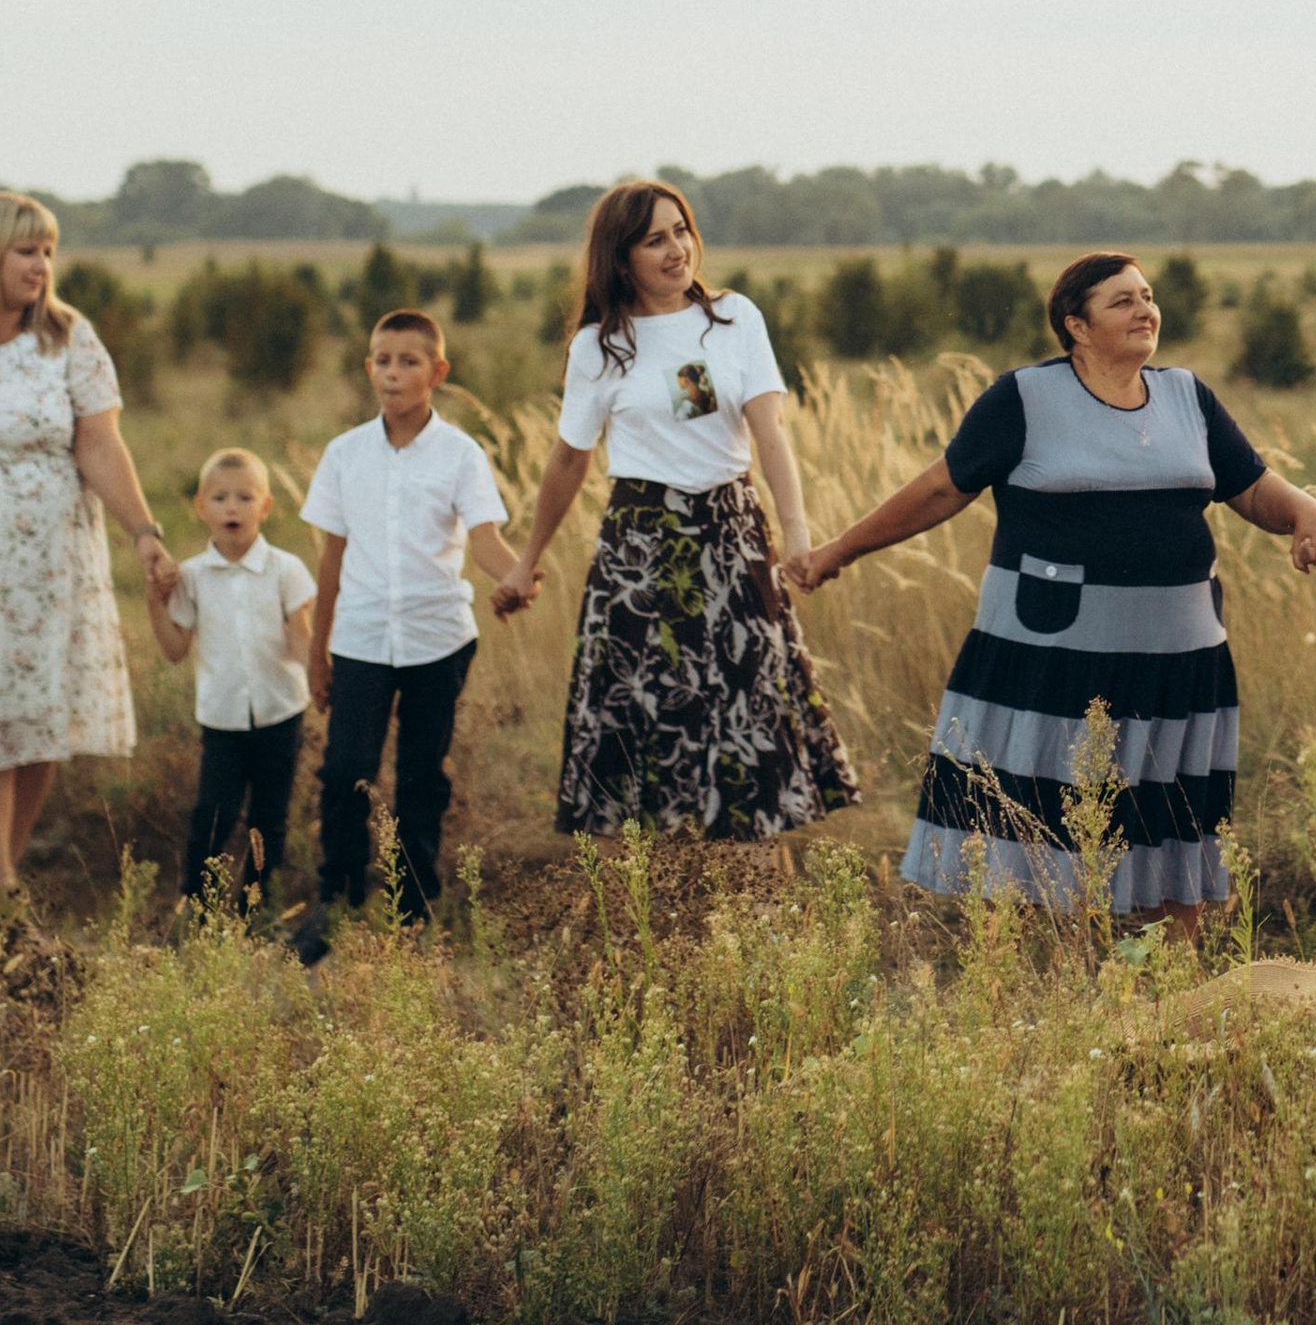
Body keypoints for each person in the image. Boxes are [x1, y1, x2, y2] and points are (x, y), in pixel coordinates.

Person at [793, 252, 1316, 930]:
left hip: (1180, 660)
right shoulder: (1024, 398)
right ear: (1076, 326)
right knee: (1038, 813)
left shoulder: (1188, 396)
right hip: (1054, 657)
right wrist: (839, 551)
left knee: (1170, 811)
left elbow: (1253, 486)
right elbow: (942, 487)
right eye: (1122, 301)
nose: (1145, 310)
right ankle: (1035, 974)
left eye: (1147, 297)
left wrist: (1306, 514)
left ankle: (1166, 980)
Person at [495, 181, 856, 843]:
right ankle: (652, 911)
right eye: (654, 239)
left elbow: (769, 434)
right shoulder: (602, 345)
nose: (676, 249)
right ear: (620, 255)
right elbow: (568, 461)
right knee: (638, 723)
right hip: (640, 548)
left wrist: (799, 537)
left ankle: (757, 913)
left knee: (749, 720)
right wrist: (526, 562)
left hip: (733, 538)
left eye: (681, 230)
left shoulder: (731, 318)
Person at [298, 310, 515, 958]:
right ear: (369, 369)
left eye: (409, 362)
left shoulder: (461, 456)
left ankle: (412, 912)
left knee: (423, 778)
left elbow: (486, 541)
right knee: (344, 774)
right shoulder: (344, 455)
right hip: (361, 641)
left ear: (437, 373)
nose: (393, 373)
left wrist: (519, 575)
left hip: (437, 640)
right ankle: (337, 902)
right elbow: (331, 559)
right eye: (382, 361)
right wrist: (317, 649)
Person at [0, 192, 181, 900]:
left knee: (35, 720)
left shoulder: (68, 337)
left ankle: (6, 876)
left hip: (49, 564)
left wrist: (146, 533)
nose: (41, 265)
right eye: (25, 250)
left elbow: (100, 443)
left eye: (48, 251)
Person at [145, 448, 316, 916]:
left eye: (245, 497)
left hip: (280, 712)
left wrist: (326, 683)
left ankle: (254, 910)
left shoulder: (286, 569)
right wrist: (155, 600)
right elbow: (176, 649)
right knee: (213, 815)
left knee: (270, 820)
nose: (232, 508)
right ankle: (197, 908)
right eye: (220, 498)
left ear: (265, 507)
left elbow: (301, 640)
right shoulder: (193, 577)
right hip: (222, 719)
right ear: (201, 507)